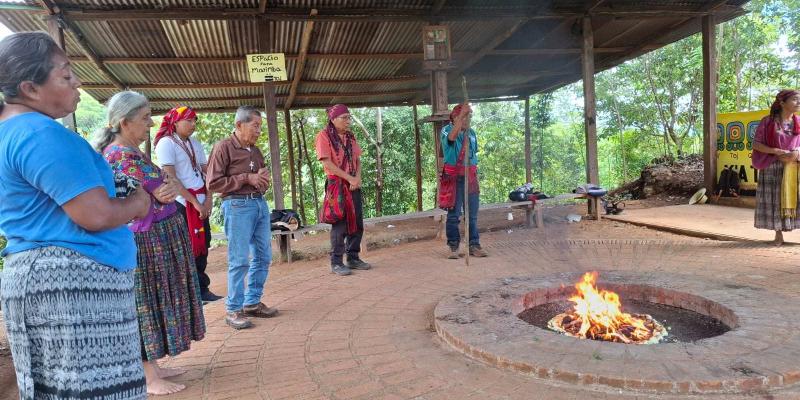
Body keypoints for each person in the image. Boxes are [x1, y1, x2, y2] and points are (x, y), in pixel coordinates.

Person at [0, 32, 150, 400]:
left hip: (40, 278)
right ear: (29, 88)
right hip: (74, 285)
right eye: (66, 75)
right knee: (99, 390)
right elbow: (95, 215)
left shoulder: (9, 132)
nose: (77, 82)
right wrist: (138, 203)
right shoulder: (40, 134)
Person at [96, 91, 206, 395]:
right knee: (146, 303)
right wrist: (165, 188)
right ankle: (146, 376)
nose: (151, 123)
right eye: (145, 118)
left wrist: (167, 187)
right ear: (124, 121)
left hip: (156, 237)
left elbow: (169, 186)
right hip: (147, 242)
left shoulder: (132, 152)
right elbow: (162, 190)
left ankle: (153, 367)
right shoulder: (120, 155)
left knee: (156, 300)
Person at [207, 106, 278, 330]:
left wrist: (262, 180)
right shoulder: (223, 147)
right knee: (239, 260)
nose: (259, 131)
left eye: (260, 126)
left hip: (259, 204)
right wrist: (247, 178)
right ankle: (233, 309)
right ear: (239, 125)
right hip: (237, 206)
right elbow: (213, 183)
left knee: (263, 256)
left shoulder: (255, 151)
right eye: (255, 126)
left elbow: (260, 179)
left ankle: (252, 302)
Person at [154, 105, 221, 302]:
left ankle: (202, 289)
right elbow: (171, 178)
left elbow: (208, 173)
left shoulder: (195, 143)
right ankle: (188, 293)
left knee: (203, 243)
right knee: (186, 246)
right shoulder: (166, 143)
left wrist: (208, 199)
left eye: (194, 121)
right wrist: (195, 203)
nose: (193, 124)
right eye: (189, 120)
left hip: (201, 200)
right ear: (175, 123)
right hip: (181, 203)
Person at [315, 104, 372, 276]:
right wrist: (349, 178)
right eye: (344, 118)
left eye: (349, 117)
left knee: (357, 221)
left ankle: (353, 257)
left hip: (353, 183)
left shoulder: (350, 136)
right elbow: (327, 163)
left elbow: (358, 159)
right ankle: (336, 262)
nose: (348, 121)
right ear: (333, 119)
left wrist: (357, 178)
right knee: (339, 224)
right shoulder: (324, 136)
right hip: (337, 185)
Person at [752, 89, 800, 245]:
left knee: (796, 198)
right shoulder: (768, 122)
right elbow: (756, 144)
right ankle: (778, 234)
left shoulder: (799, 121)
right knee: (776, 200)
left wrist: (797, 152)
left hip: (794, 166)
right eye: (795, 99)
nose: (798, 102)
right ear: (782, 103)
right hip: (772, 166)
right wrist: (775, 151)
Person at [441, 103, 488, 259]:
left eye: (468, 116)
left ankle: (474, 245)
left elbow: (473, 155)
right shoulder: (447, 130)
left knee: (472, 214)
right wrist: (461, 116)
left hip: (471, 177)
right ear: (455, 118)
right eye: (464, 117)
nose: (468, 119)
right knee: (453, 215)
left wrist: (474, 175)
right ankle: (453, 247)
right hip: (454, 178)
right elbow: (451, 139)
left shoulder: (472, 133)